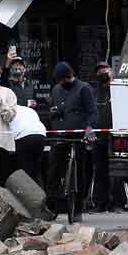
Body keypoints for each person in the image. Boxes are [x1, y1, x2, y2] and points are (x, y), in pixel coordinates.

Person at [48, 62, 98, 222]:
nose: (62, 83)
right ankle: (52, 205)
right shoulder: (56, 90)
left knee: (81, 169)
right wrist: (54, 113)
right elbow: (55, 109)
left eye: (64, 80)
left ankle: (78, 206)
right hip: (61, 134)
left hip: (79, 135)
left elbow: (92, 112)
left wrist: (89, 128)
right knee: (54, 167)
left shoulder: (84, 89)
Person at [91, 61, 115, 212]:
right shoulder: (94, 91)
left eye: (105, 72)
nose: (102, 75)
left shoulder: (117, 88)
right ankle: (100, 203)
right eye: (99, 72)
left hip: (114, 135)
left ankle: (117, 203)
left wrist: (113, 82)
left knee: (115, 171)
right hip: (98, 135)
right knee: (99, 171)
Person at [12, 104, 47, 187]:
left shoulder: (9, 110)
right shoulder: (29, 110)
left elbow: (10, 131)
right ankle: (40, 195)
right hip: (40, 135)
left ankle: (27, 196)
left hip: (24, 136)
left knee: (24, 169)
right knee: (36, 169)